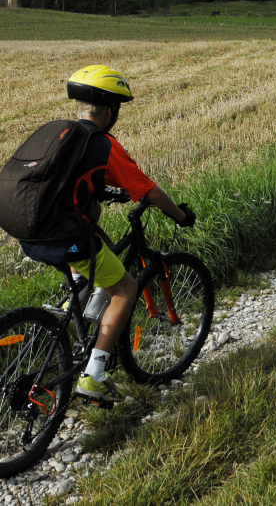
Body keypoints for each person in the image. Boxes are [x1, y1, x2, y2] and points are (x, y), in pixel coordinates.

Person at [19, 66, 196, 402]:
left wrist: (100, 191)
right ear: (109, 109)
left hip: (29, 232)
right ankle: (94, 376)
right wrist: (180, 215)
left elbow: (65, 183)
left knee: (93, 252)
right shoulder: (101, 144)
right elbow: (149, 191)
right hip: (64, 237)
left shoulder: (60, 133)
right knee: (126, 288)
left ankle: (72, 320)